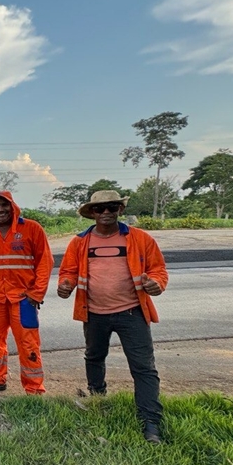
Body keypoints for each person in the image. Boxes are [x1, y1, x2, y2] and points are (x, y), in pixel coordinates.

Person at [57, 190, 168, 444]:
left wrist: (157, 284)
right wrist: (65, 284)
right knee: (94, 357)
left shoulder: (140, 239)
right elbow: (68, 272)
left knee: (143, 368)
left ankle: (150, 422)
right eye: (100, 209)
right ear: (92, 213)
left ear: (120, 210)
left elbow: (158, 270)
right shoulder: (79, 242)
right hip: (94, 313)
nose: (106, 212)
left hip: (132, 313)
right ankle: (97, 399)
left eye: (112, 207)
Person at [0, 191, 53, 395]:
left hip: (23, 298)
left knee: (28, 343)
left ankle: (34, 388)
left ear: (13, 206)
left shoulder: (32, 229)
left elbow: (45, 261)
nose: (0, 210)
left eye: (4, 205)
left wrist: (37, 293)